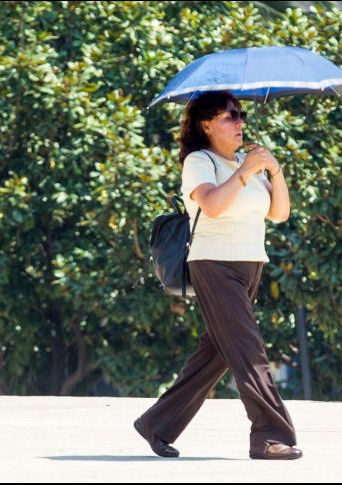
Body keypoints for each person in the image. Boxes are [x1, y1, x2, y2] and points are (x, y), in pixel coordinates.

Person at [134, 91, 301, 460]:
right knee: (248, 350)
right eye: (229, 117)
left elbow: (279, 213)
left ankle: (157, 424)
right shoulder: (200, 161)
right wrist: (244, 172)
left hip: (250, 264)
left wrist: (274, 169)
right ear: (206, 125)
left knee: (217, 353)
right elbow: (210, 205)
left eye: (240, 115)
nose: (239, 121)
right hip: (214, 265)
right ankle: (269, 435)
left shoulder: (248, 163)